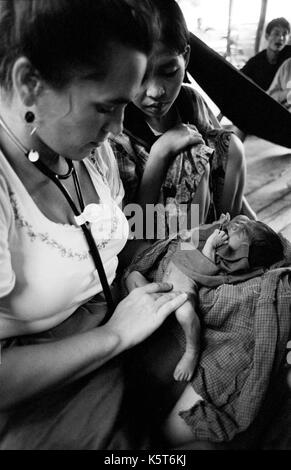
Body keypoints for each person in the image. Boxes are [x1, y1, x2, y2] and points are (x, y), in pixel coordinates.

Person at [0, 0, 193, 450]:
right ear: (30, 83)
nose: (119, 127)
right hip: (41, 381)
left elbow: (115, 245)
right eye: (107, 107)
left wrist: (161, 278)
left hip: (119, 321)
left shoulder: (92, 150)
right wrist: (115, 335)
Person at [111, 0, 256, 229]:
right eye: (139, 76)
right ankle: (198, 258)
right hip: (158, 243)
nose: (156, 91)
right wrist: (160, 155)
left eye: (169, 72)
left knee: (231, 145)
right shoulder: (116, 132)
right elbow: (133, 229)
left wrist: (257, 227)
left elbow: (226, 166)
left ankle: (226, 238)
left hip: (210, 228)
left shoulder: (191, 102)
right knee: (190, 157)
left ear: (185, 59)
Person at [125, 214, 285, 382]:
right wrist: (216, 224)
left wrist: (210, 244)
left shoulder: (225, 259)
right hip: (162, 286)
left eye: (242, 231)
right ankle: (149, 314)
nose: (238, 225)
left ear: (242, 256)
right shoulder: (221, 238)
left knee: (185, 313)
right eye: (243, 223)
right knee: (133, 277)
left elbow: (204, 270)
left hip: (180, 293)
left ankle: (192, 350)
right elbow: (192, 239)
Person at [241, 17, 291, 91]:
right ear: (267, 36)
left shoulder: (289, 54)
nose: (280, 38)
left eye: (284, 34)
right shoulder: (255, 62)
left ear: (288, 39)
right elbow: (238, 78)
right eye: (276, 33)